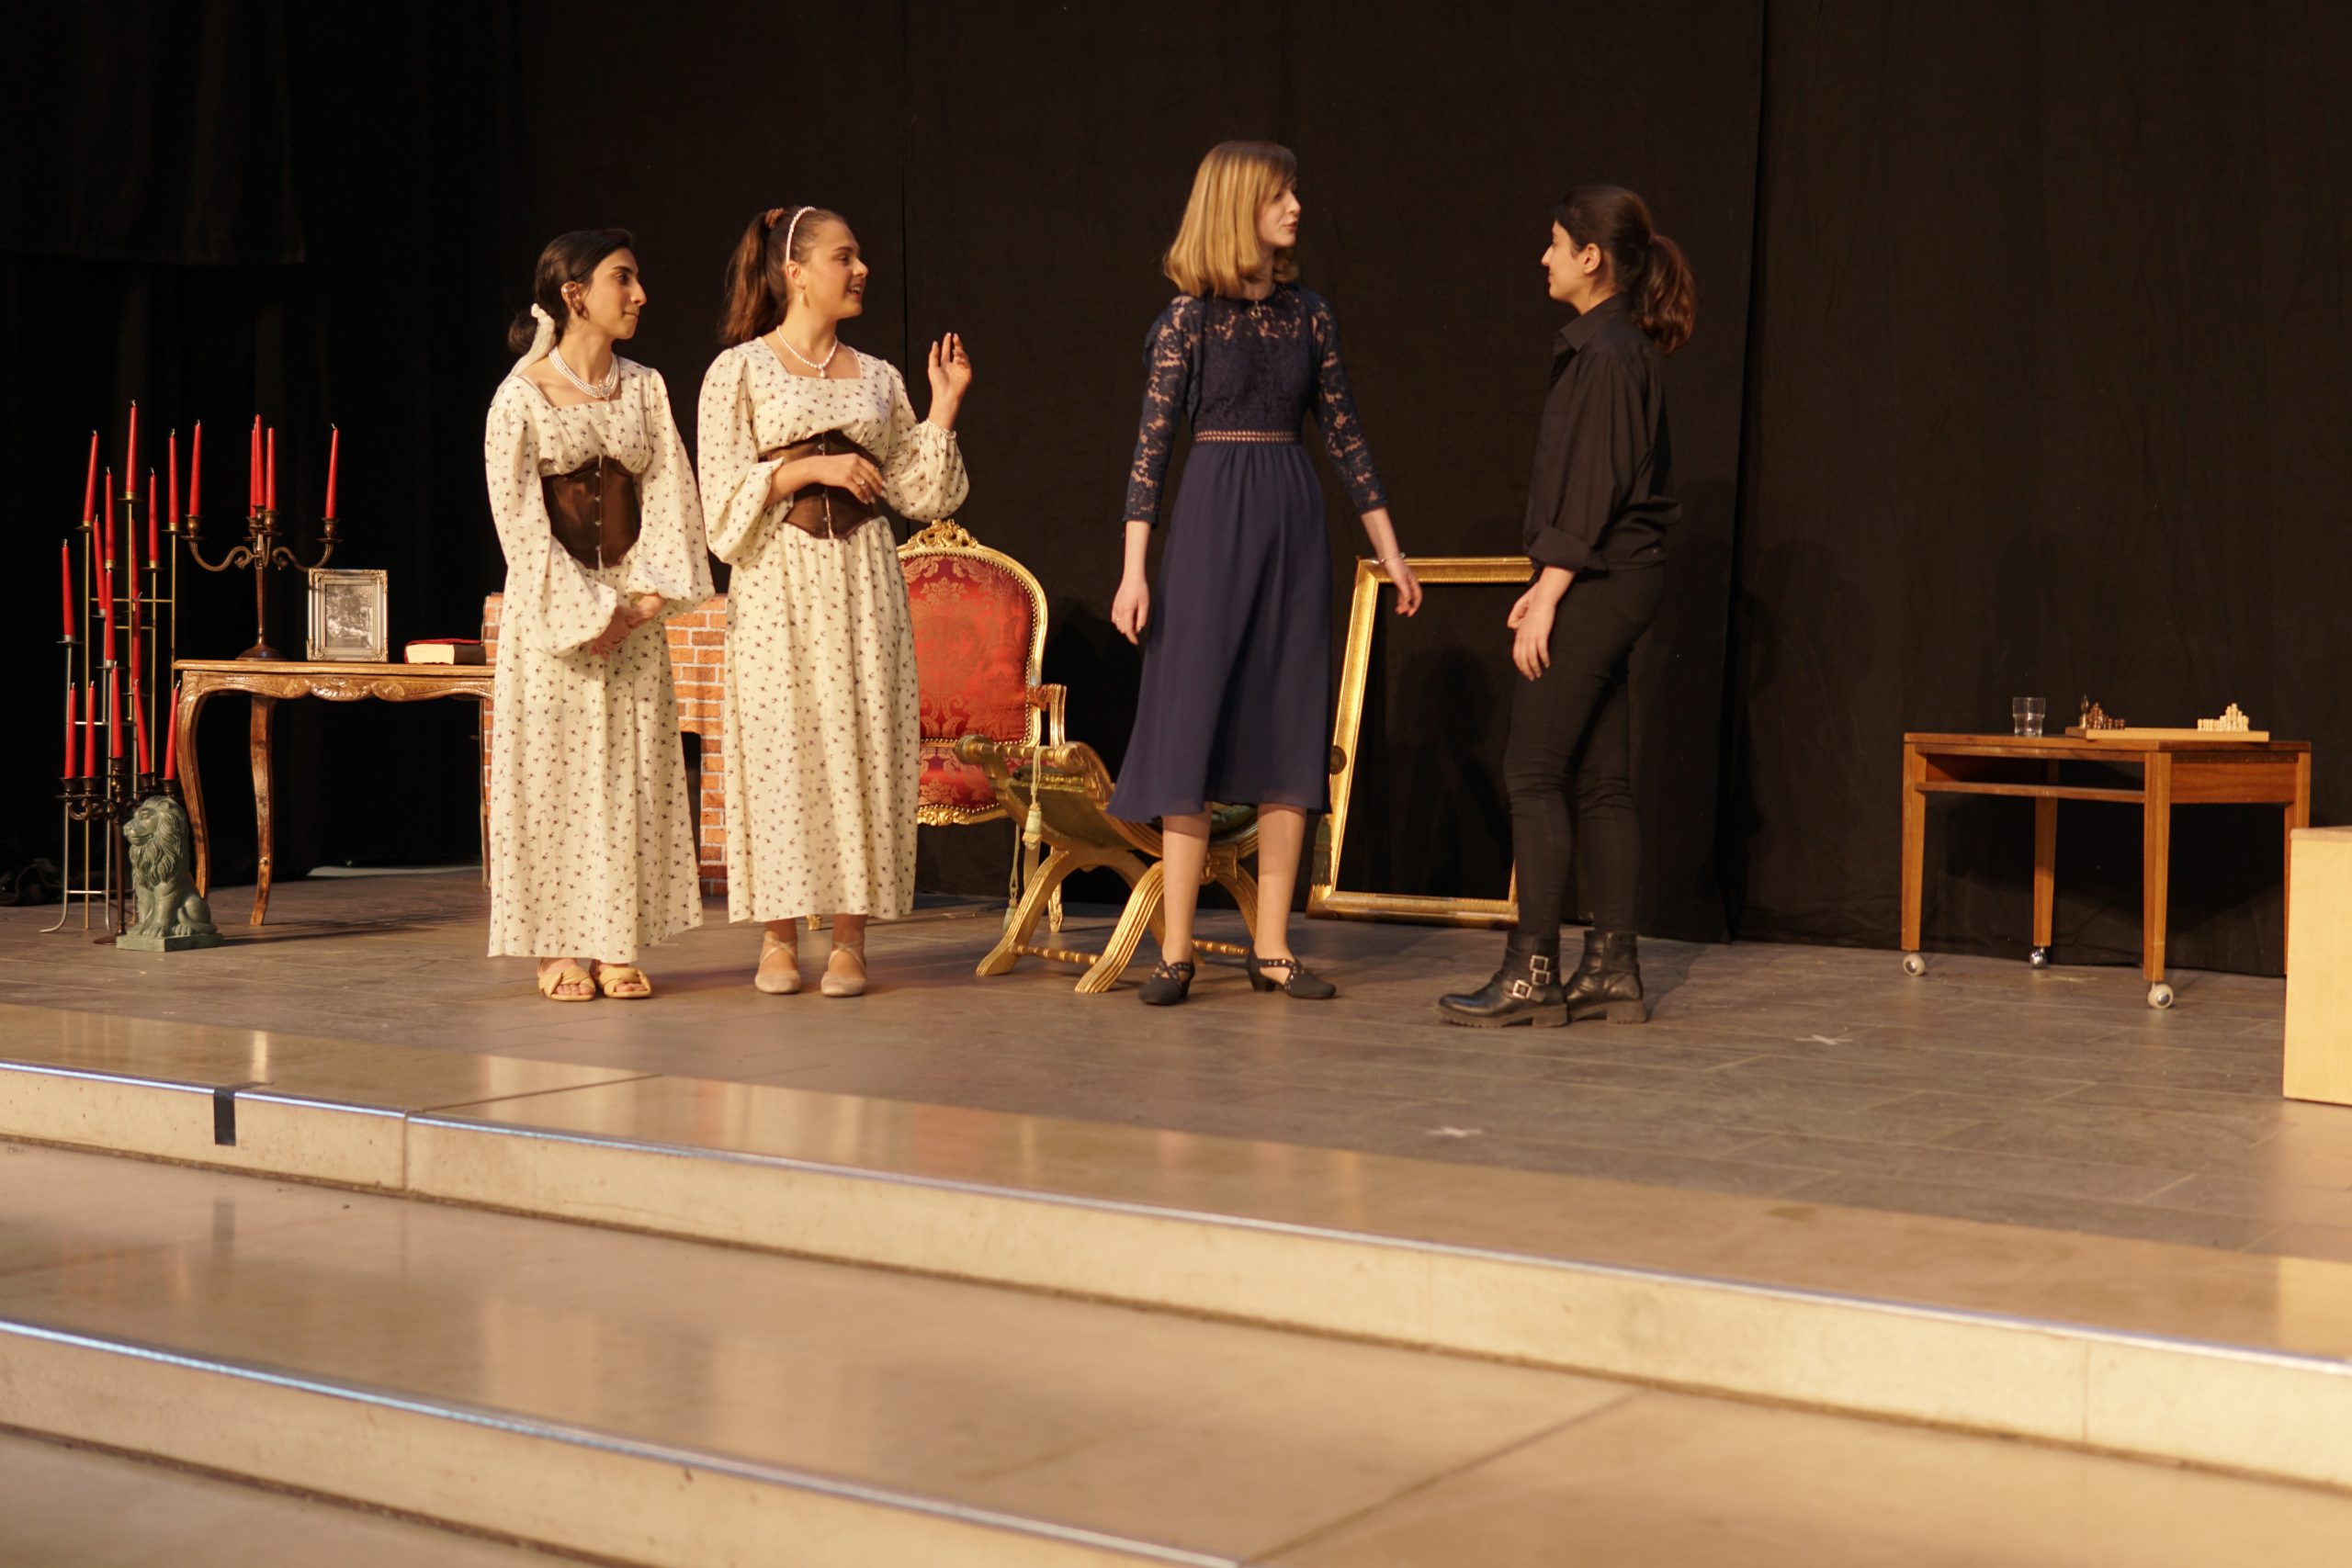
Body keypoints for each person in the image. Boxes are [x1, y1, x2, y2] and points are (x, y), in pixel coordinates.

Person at [1110, 140, 1421, 1007]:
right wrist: (1134, 571)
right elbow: (1149, 455)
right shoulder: (1188, 320)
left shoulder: (1309, 316)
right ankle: (1176, 949)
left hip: (1291, 522)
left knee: (1289, 725)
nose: (1295, 208)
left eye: (1294, 194)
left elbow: (1347, 437)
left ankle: (1274, 947)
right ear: (1235, 206)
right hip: (1212, 523)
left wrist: (1392, 552)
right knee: (1190, 727)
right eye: (1278, 195)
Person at [1437, 185, 1695, 1028]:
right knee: (1602, 778)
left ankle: (1531, 973)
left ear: (1592, 256)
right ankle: (1613, 968)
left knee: (1534, 769)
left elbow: (1594, 487)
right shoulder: (1609, 347)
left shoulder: (1611, 354)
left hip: (1601, 578)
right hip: (1618, 576)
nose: (1543, 258)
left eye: (1555, 244)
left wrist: (1548, 589)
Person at [698, 206, 971, 998]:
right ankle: (778, 935)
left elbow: (921, 493)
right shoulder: (738, 372)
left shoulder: (879, 377)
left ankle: (851, 938)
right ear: (796, 272)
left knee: (862, 742)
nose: (860, 271)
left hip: (862, 581)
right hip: (778, 581)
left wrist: (944, 405)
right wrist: (805, 470)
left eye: (859, 258)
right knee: (780, 747)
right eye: (843, 257)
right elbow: (720, 507)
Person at [483, 229, 714, 1002]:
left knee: (628, 775)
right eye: (624, 278)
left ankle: (616, 939)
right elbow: (520, 526)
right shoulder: (520, 398)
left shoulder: (645, 388)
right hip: (555, 618)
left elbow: (673, 494)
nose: (640, 294)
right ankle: (557, 945)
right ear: (574, 294)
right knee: (556, 779)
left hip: (635, 611)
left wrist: (643, 601)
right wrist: (591, 613)